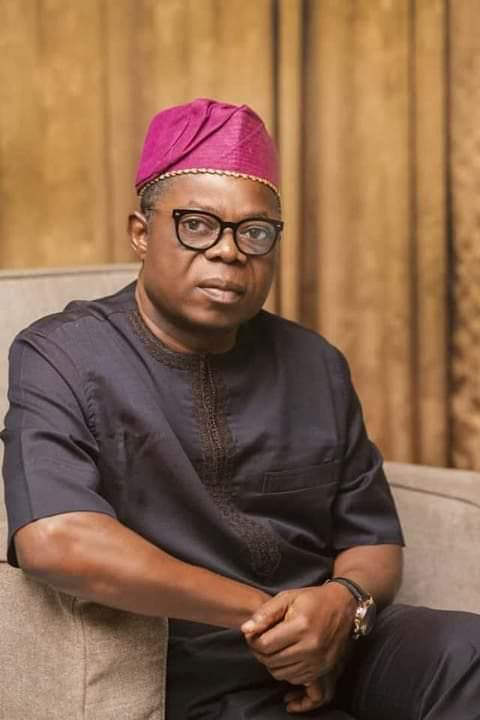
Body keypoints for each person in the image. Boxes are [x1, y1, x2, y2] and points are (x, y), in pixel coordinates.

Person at [2, 98, 479, 720]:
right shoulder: (62, 353)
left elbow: (375, 540)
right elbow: (56, 540)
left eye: (255, 232)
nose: (229, 251)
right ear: (141, 233)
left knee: (465, 650)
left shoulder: (315, 363)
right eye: (197, 225)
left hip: (336, 641)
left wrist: (342, 605)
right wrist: (269, 618)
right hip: (191, 663)